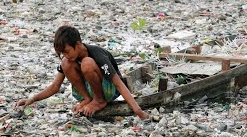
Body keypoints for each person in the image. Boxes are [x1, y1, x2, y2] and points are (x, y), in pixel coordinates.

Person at [14, 25, 149, 119]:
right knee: (66, 64)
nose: (65, 55)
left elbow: (119, 84)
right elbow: (55, 86)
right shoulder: (69, 59)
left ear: (78, 44)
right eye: (62, 53)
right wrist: (31, 99)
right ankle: (87, 98)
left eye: (67, 51)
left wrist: (138, 110)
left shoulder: (97, 54)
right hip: (91, 90)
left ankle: (99, 101)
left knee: (87, 63)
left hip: (109, 90)